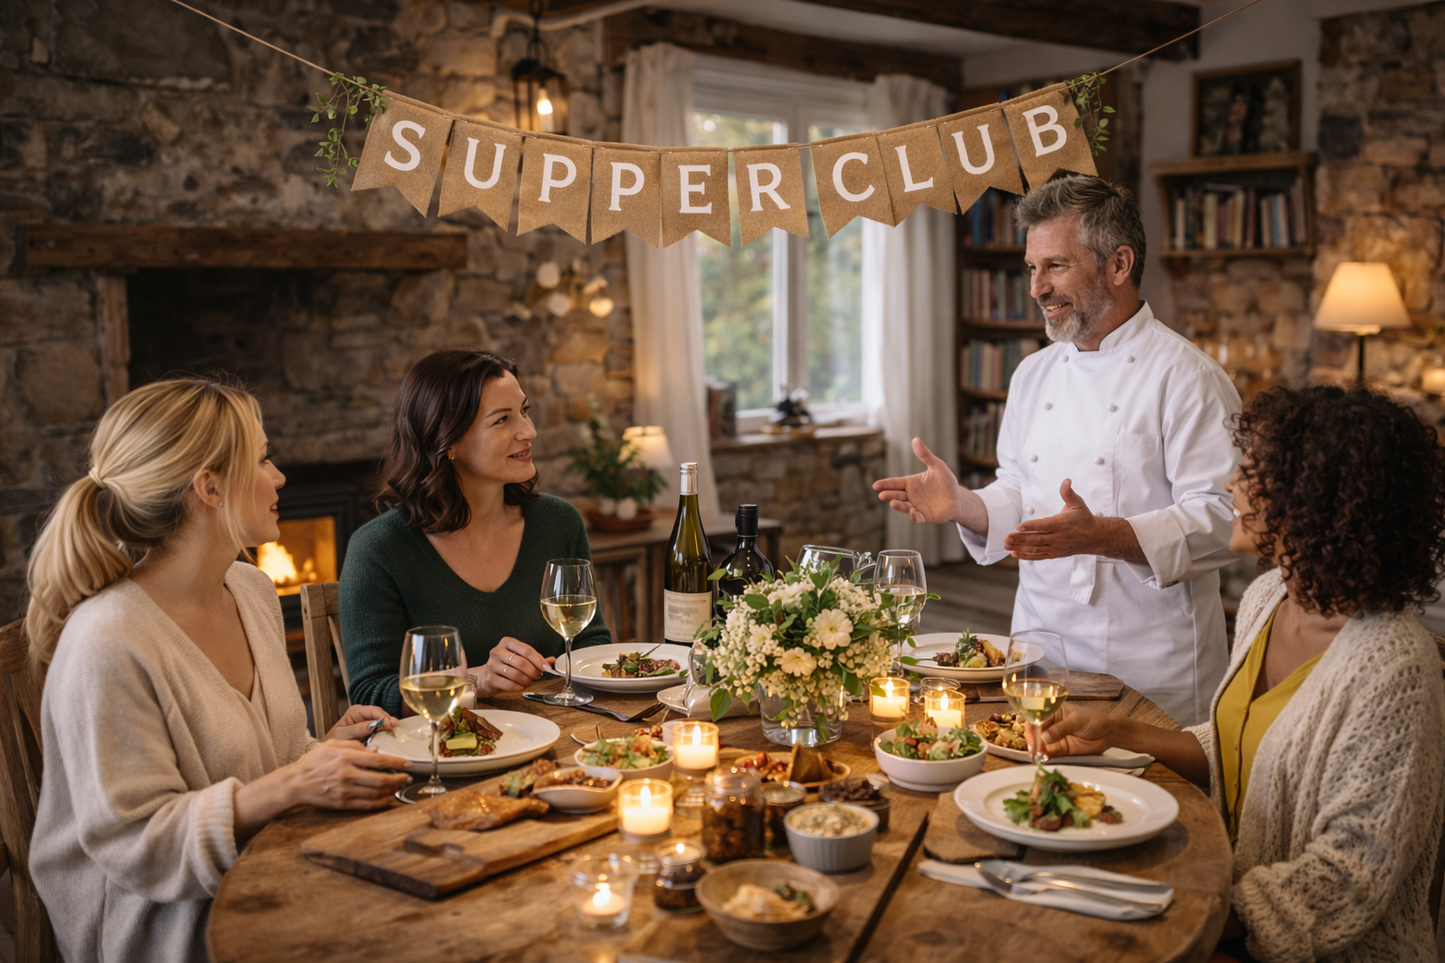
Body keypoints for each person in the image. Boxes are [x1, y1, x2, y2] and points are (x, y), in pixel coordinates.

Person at [1039, 385, 1445, 963]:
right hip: (1231, 908)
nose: (1231, 485)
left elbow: (1350, 873)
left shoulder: (1393, 666)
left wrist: (1181, 915)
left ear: (1320, 498)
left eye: (1253, 472)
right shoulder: (1268, 599)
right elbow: (1238, 748)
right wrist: (1116, 733)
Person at [26, 378, 411, 963]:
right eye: (262, 458)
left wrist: (319, 752)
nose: (280, 477)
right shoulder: (107, 640)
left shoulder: (251, 588)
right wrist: (293, 783)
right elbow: (134, 845)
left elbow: (265, 764)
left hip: (270, 871)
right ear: (209, 487)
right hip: (164, 926)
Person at [874, 176, 1240, 725]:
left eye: (1056, 266)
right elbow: (1021, 489)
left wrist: (1107, 537)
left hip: (1151, 663)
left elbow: (1227, 518)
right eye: (1031, 268)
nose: (1036, 289)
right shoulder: (1033, 374)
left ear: (1118, 265)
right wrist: (965, 504)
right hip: (1039, 647)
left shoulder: (1188, 378)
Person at [342, 349, 611, 716]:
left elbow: (591, 644)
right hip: (441, 758)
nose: (528, 431)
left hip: (560, 741)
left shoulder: (559, 521)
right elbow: (371, 694)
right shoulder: (378, 549)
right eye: (502, 420)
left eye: (524, 411)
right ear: (447, 441)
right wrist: (475, 681)